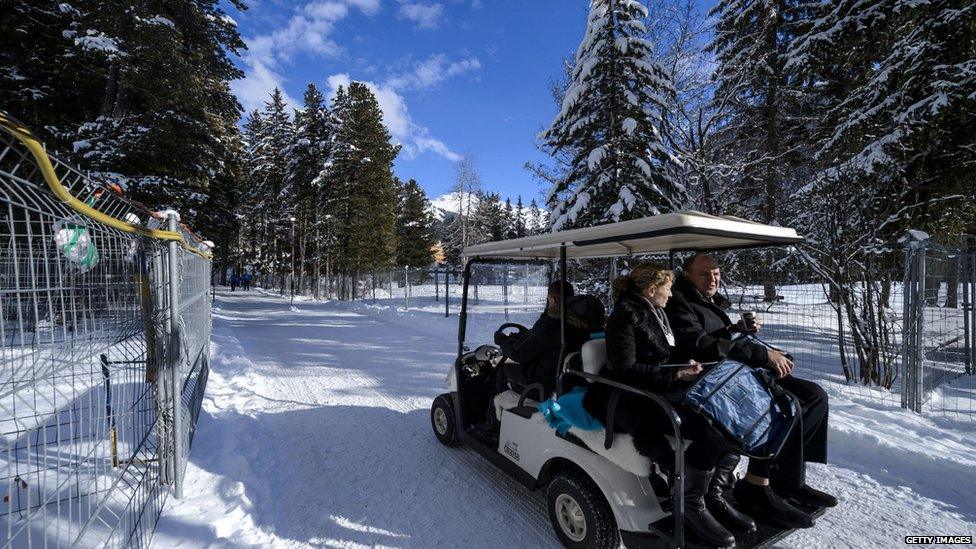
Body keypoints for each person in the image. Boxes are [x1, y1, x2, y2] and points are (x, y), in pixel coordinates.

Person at [581, 263, 750, 547]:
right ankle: (691, 504)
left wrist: (685, 364)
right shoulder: (626, 316)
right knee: (707, 428)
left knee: (727, 418)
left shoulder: (656, 310)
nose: (671, 295)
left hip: (661, 386)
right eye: (667, 289)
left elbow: (667, 351)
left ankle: (713, 493)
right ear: (651, 290)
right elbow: (626, 368)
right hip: (633, 395)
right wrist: (675, 373)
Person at [666, 253, 836, 531]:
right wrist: (762, 353)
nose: (713, 279)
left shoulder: (705, 299)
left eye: (717, 273)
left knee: (815, 396)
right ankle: (757, 487)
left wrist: (741, 331)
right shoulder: (678, 304)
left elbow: (720, 337)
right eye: (704, 274)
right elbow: (699, 344)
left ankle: (789, 482)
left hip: (735, 371)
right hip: (713, 380)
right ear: (686, 275)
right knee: (786, 404)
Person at [493, 281, 592, 398]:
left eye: (548, 299)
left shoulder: (551, 324)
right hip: (570, 381)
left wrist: (502, 341)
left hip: (545, 384)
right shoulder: (580, 323)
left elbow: (519, 354)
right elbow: (537, 339)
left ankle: (494, 413)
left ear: (553, 300)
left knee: (502, 371)